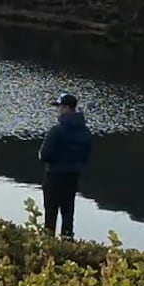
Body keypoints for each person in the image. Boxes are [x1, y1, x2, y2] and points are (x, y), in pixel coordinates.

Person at [38, 91, 94, 239]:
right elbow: (86, 156)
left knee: (50, 215)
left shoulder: (57, 131)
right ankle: (68, 245)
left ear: (67, 108)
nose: (58, 111)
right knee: (68, 215)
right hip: (73, 178)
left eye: (59, 107)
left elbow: (44, 155)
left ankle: (48, 248)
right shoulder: (86, 132)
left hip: (54, 177)